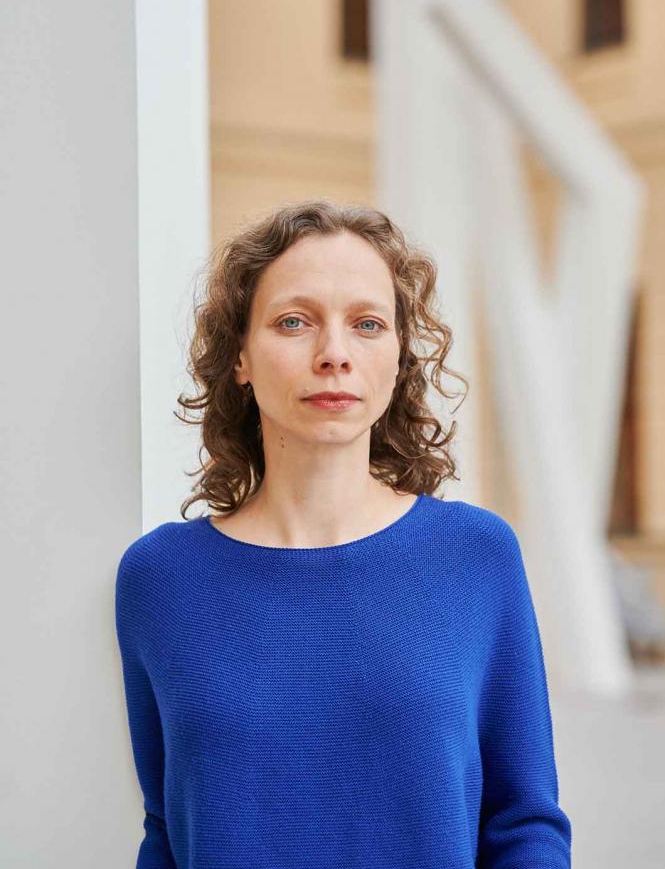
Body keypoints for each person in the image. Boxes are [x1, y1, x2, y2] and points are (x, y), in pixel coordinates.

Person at [115, 200, 573, 868]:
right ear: (238, 354)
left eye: (366, 323)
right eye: (294, 322)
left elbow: (523, 821)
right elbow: (167, 827)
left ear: (396, 357)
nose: (334, 354)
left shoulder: (475, 556)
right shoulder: (160, 576)